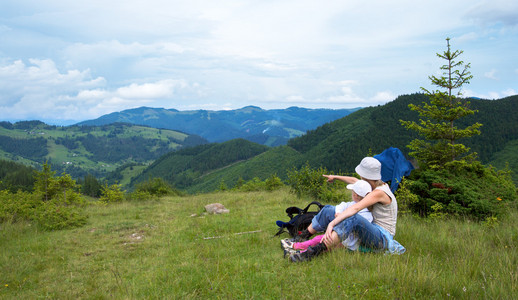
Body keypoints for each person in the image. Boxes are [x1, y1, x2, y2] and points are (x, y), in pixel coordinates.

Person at [290, 157, 405, 262]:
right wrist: (335, 177)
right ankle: (302, 237)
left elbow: (356, 208)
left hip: (381, 238)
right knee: (328, 209)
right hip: (369, 229)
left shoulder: (380, 192)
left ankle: (314, 252)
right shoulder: (371, 185)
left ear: (366, 176)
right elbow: (353, 180)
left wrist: (332, 224)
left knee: (352, 217)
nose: (359, 177)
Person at [281, 180, 373, 256]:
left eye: (352, 192)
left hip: (348, 242)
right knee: (321, 240)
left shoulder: (365, 214)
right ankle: (297, 248)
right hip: (343, 239)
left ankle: (296, 248)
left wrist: (340, 219)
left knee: (321, 241)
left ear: (356, 195)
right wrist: (338, 212)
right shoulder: (354, 205)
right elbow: (342, 205)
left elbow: (356, 228)